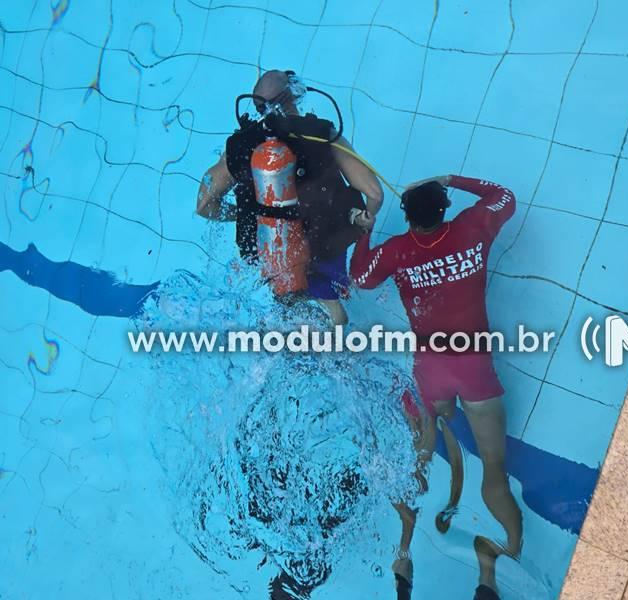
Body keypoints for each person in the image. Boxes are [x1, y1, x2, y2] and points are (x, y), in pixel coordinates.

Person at [349, 174, 522, 600]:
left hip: (432, 372)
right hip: (474, 368)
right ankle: (492, 574)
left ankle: (403, 555)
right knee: (494, 473)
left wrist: (365, 227)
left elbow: (361, 275)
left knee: (418, 466)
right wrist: (448, 178)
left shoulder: (398, 252)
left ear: (407, 218)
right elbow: (504, 196)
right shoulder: (472, 228)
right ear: (445, 209)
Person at [196, 69, 383, 325]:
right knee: (333, 315)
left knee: (288, 311)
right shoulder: (321, 133)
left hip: (272, 250)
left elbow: (204, 205)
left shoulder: (239, 146)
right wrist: (362, 221)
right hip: (324, 245)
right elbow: (374, 192)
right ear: (291, 95)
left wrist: (247, 214)